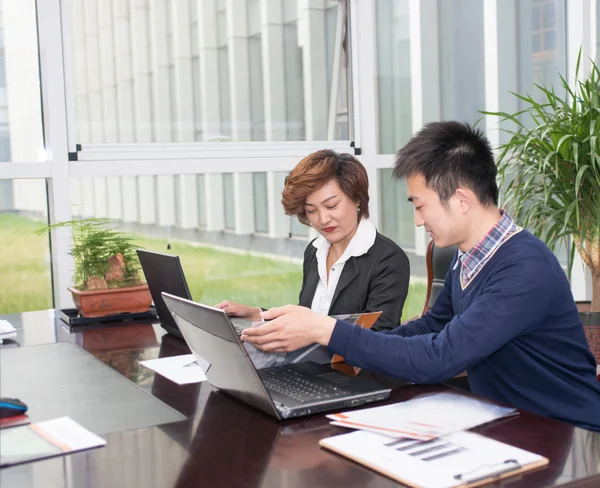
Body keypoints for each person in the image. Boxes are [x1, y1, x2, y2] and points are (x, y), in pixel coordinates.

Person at [242, 122, 600, 431]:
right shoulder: (468, 256)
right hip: (510, 423)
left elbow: (439, 356)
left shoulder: (524, 268)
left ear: (461, 200)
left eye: (420, 204)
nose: (417, 220)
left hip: (568, 434)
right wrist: (352, 351)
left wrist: (326, 330)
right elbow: (431, 326)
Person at [216, 149, 410, 331]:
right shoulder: (315, 251)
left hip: (350, 367)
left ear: (357, 198)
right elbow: (306, 319)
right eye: (311, 210)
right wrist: (258, 315)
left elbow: (378, 338)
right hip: (309, 362)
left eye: (332, 205)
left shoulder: (388, 260)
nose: (323, 219)